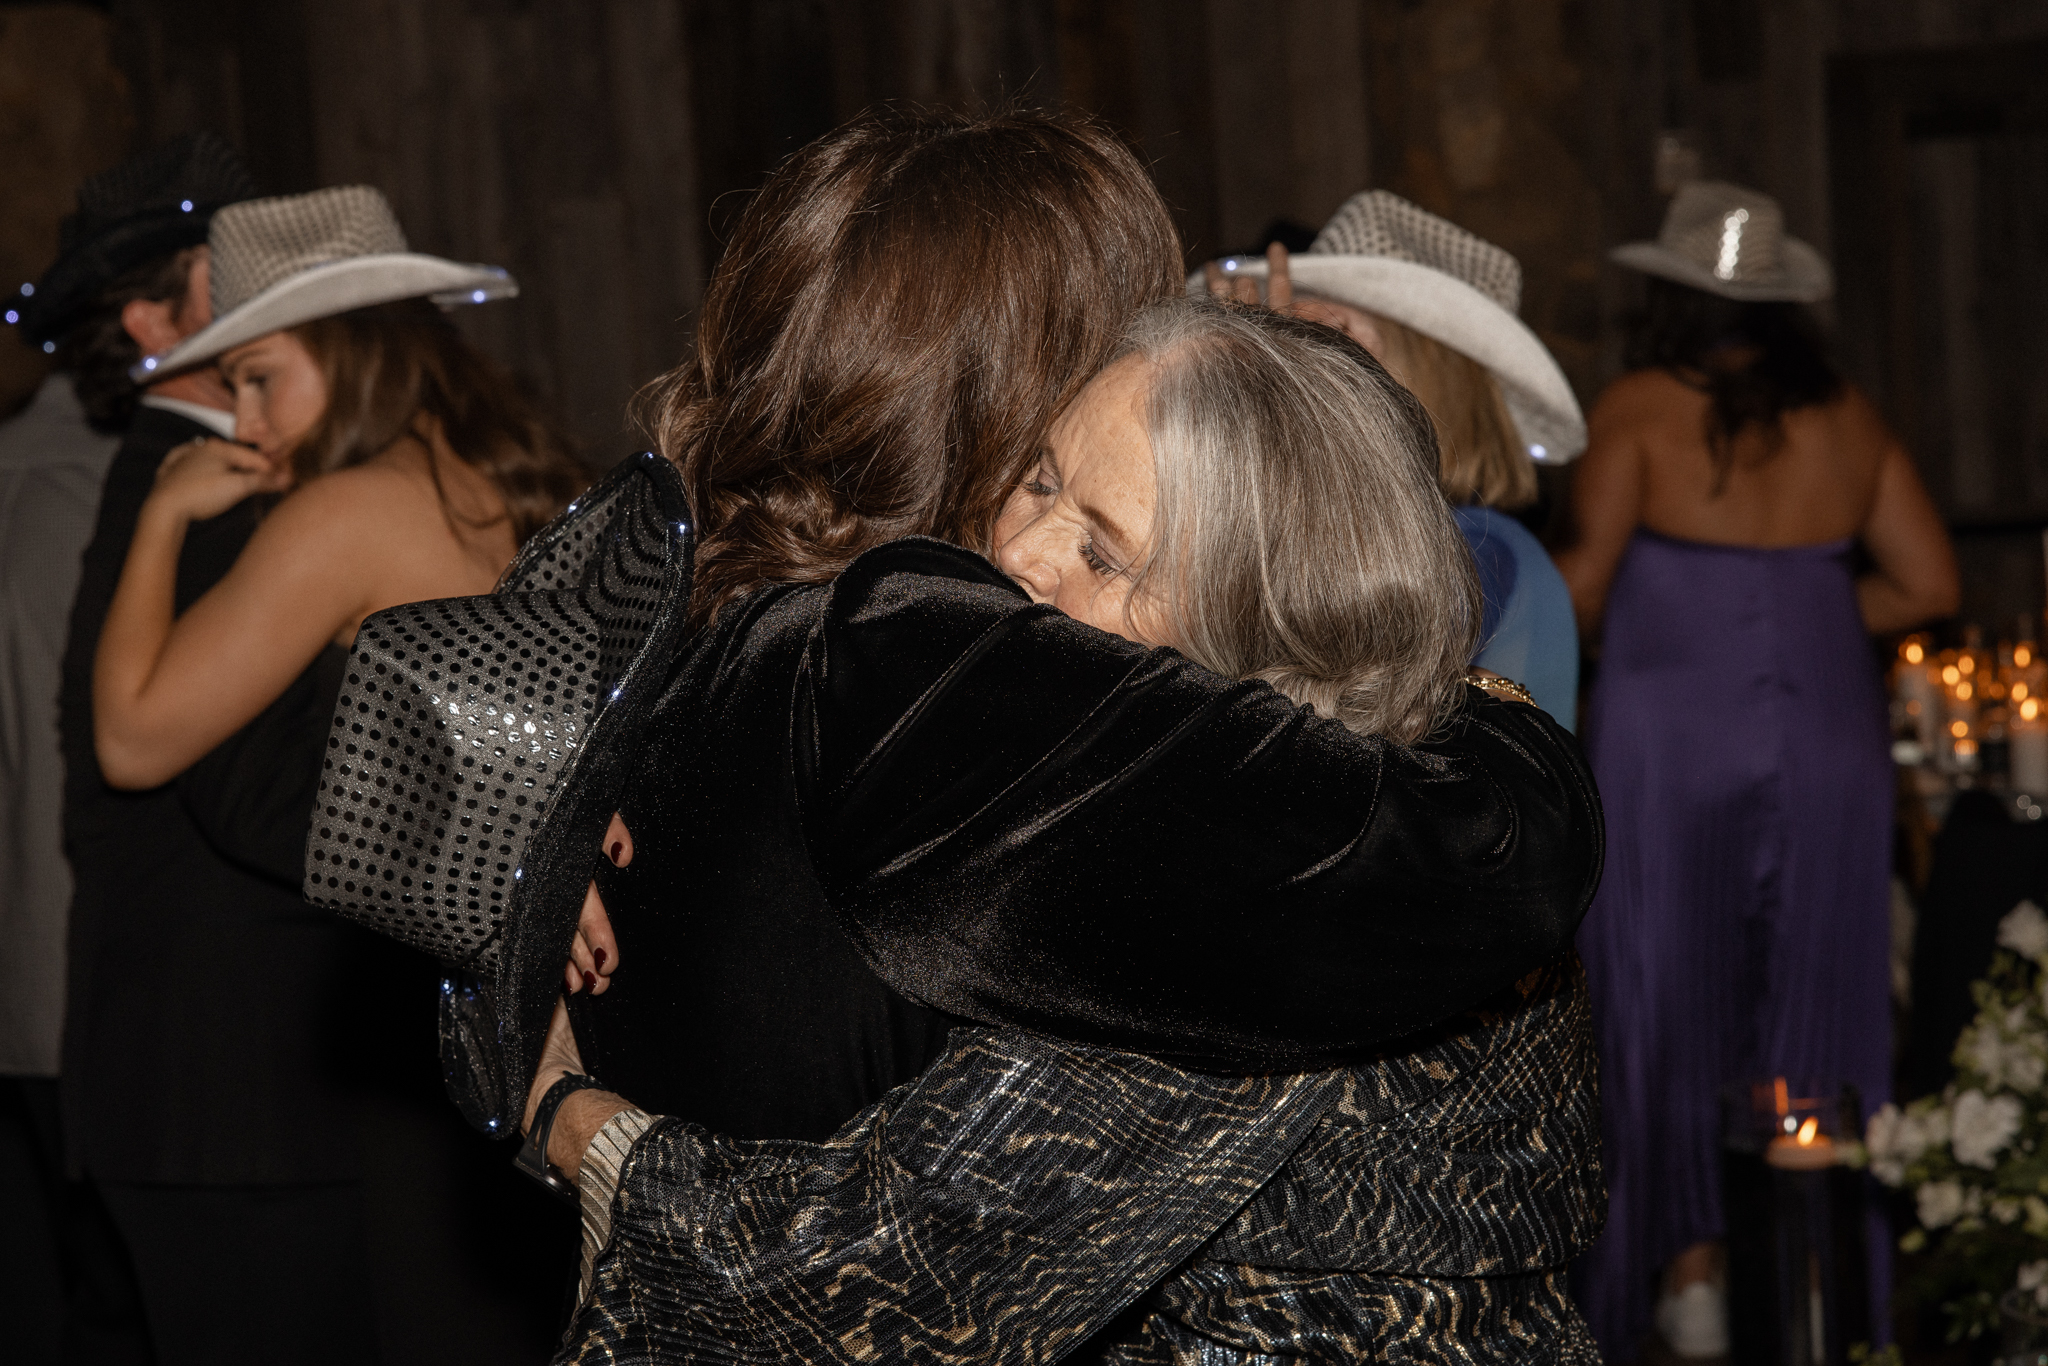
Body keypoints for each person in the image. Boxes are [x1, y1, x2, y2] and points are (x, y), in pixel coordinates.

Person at [328, 110, 1601, 1359]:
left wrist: (555, 1098)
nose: (1031, 553)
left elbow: (872, 1273)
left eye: (1105, 546)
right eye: (1039, 477)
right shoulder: (960, 719)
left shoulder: (1188, 836)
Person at [67, 181, 583, 1366]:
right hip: (537, 1003)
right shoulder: (507, 473)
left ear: (344, 350)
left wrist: (161, 516)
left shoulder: (347, 508)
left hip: (422, 1017)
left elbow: (131, 739)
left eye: (258, 378)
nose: (245, 424)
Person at [1554, 180, 1959, 1362]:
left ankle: (1684, 1274)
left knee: (1661, 988)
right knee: (1814, 983)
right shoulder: (1846, 414)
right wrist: (1798, 620)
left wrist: (1662, 624)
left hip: (1668, 735)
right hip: (1825, 734)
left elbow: (1581, 589)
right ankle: (1814, 1283)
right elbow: (1928, 583)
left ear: (1667, 298)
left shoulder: (1635, 407)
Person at [1, 131, 256, 1364]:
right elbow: (114, 760)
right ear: (155, 313)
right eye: (231, 274)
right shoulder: (99, 490)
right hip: (110, 1012)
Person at [1199, 189, 1586, 729]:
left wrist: (1267, 433)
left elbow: (1331, 658)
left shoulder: (1481, 547)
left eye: (1338, 335)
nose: (1307, 370)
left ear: (1437, 374)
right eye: (1298, 340)